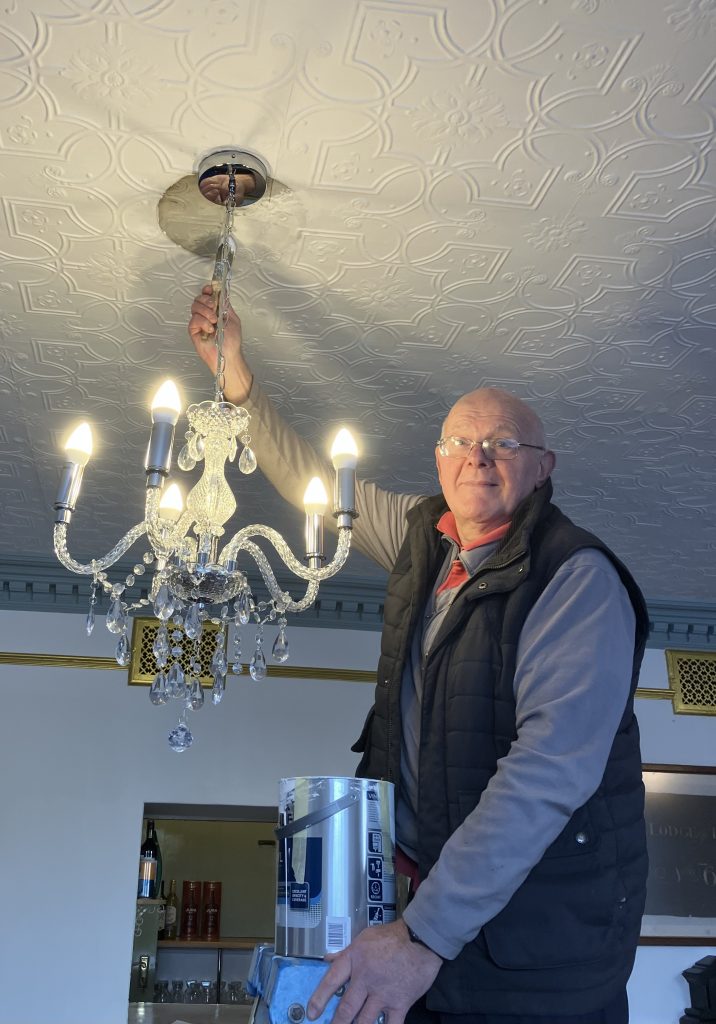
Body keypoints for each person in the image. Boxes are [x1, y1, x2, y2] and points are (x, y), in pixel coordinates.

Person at [188, 286, 649, 1024]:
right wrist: (236, 379)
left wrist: (424, 934)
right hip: (424, 909)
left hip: (539, 951)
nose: (479, 458)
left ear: (543, 467)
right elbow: (316, 485)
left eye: (504, 444)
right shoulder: (420, 538)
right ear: (438, 461)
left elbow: (547, 772)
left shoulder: (576, 578)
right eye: (460, 442)